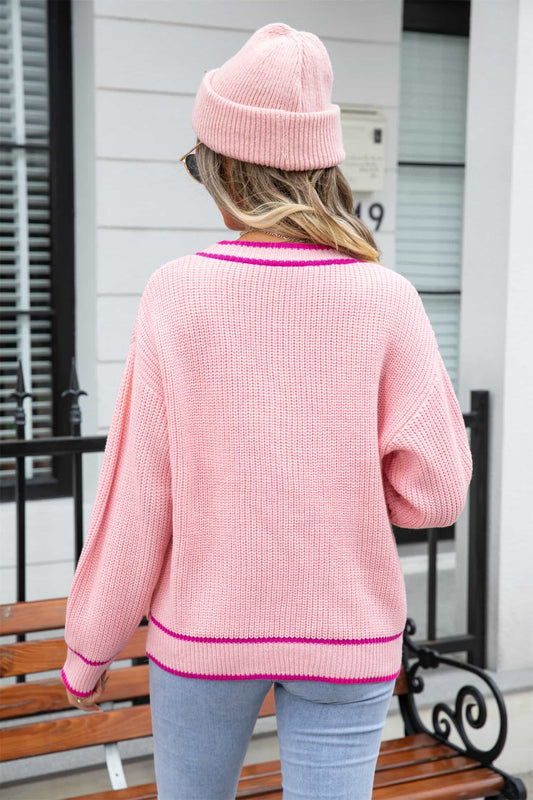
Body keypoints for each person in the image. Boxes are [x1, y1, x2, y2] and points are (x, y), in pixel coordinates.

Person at [61, 22, 473, 800]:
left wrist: (89, 649)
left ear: (228, 167)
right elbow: (435, 494)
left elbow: (137, 497)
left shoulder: (176, 294)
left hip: (205, 632)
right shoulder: (387, 298)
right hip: (346, 631)